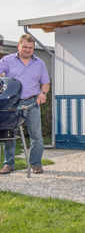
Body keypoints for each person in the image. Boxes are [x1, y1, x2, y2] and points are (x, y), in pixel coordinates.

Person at [0, 34, 50, 174]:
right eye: (25, 47)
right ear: (18, 46)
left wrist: (43, 93)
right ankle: (8, 164)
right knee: (9, 134)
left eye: (31, 48)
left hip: (32, 102)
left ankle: (36, 164)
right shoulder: (7, 60)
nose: (27, 50)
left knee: (36, 135)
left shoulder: (39, 62)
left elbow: (45, 83)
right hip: (12, 103)